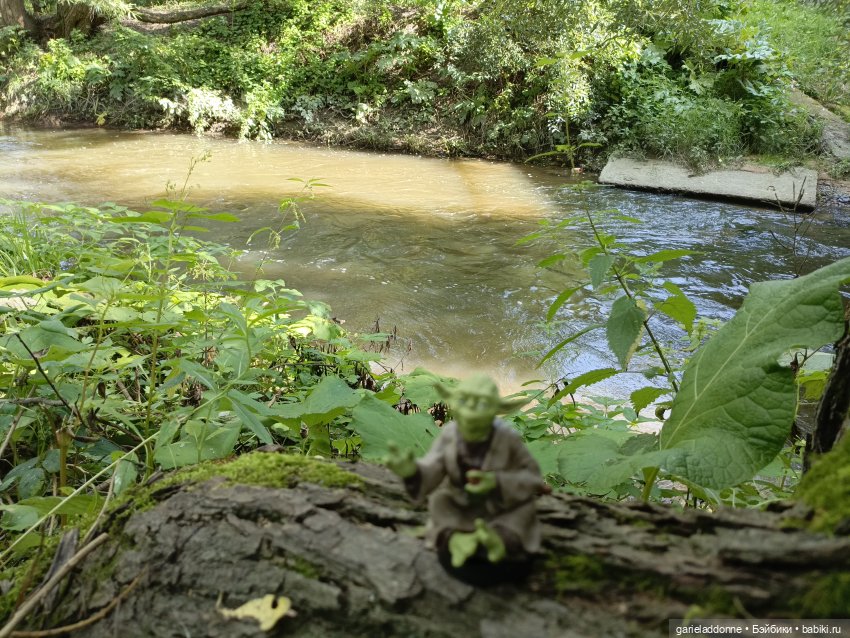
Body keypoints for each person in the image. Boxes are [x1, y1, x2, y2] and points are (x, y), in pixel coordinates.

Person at [385, 373, 546, 582]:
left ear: (497, 411)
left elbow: (532, 477)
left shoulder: (507, 439)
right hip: (459, 503)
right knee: (439, 501)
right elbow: (434, 465)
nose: (470, 414)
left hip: (499, 507)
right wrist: (412, 472)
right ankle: (456, 540)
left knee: (525, 508)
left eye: (481, 404)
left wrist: (496, 482)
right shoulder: (450, 434)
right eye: (464, 402)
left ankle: (500, 539)